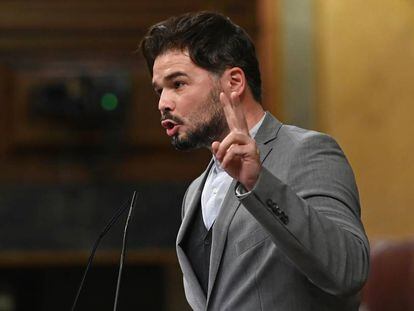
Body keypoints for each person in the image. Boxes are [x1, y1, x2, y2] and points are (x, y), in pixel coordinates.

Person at [140, 11, 369, 310]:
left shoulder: (307, 152)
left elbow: (349, 270)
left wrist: (258, 183)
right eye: (159, 90)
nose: (162, 103)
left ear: (234, 82)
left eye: (178, 84)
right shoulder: (196, 191)